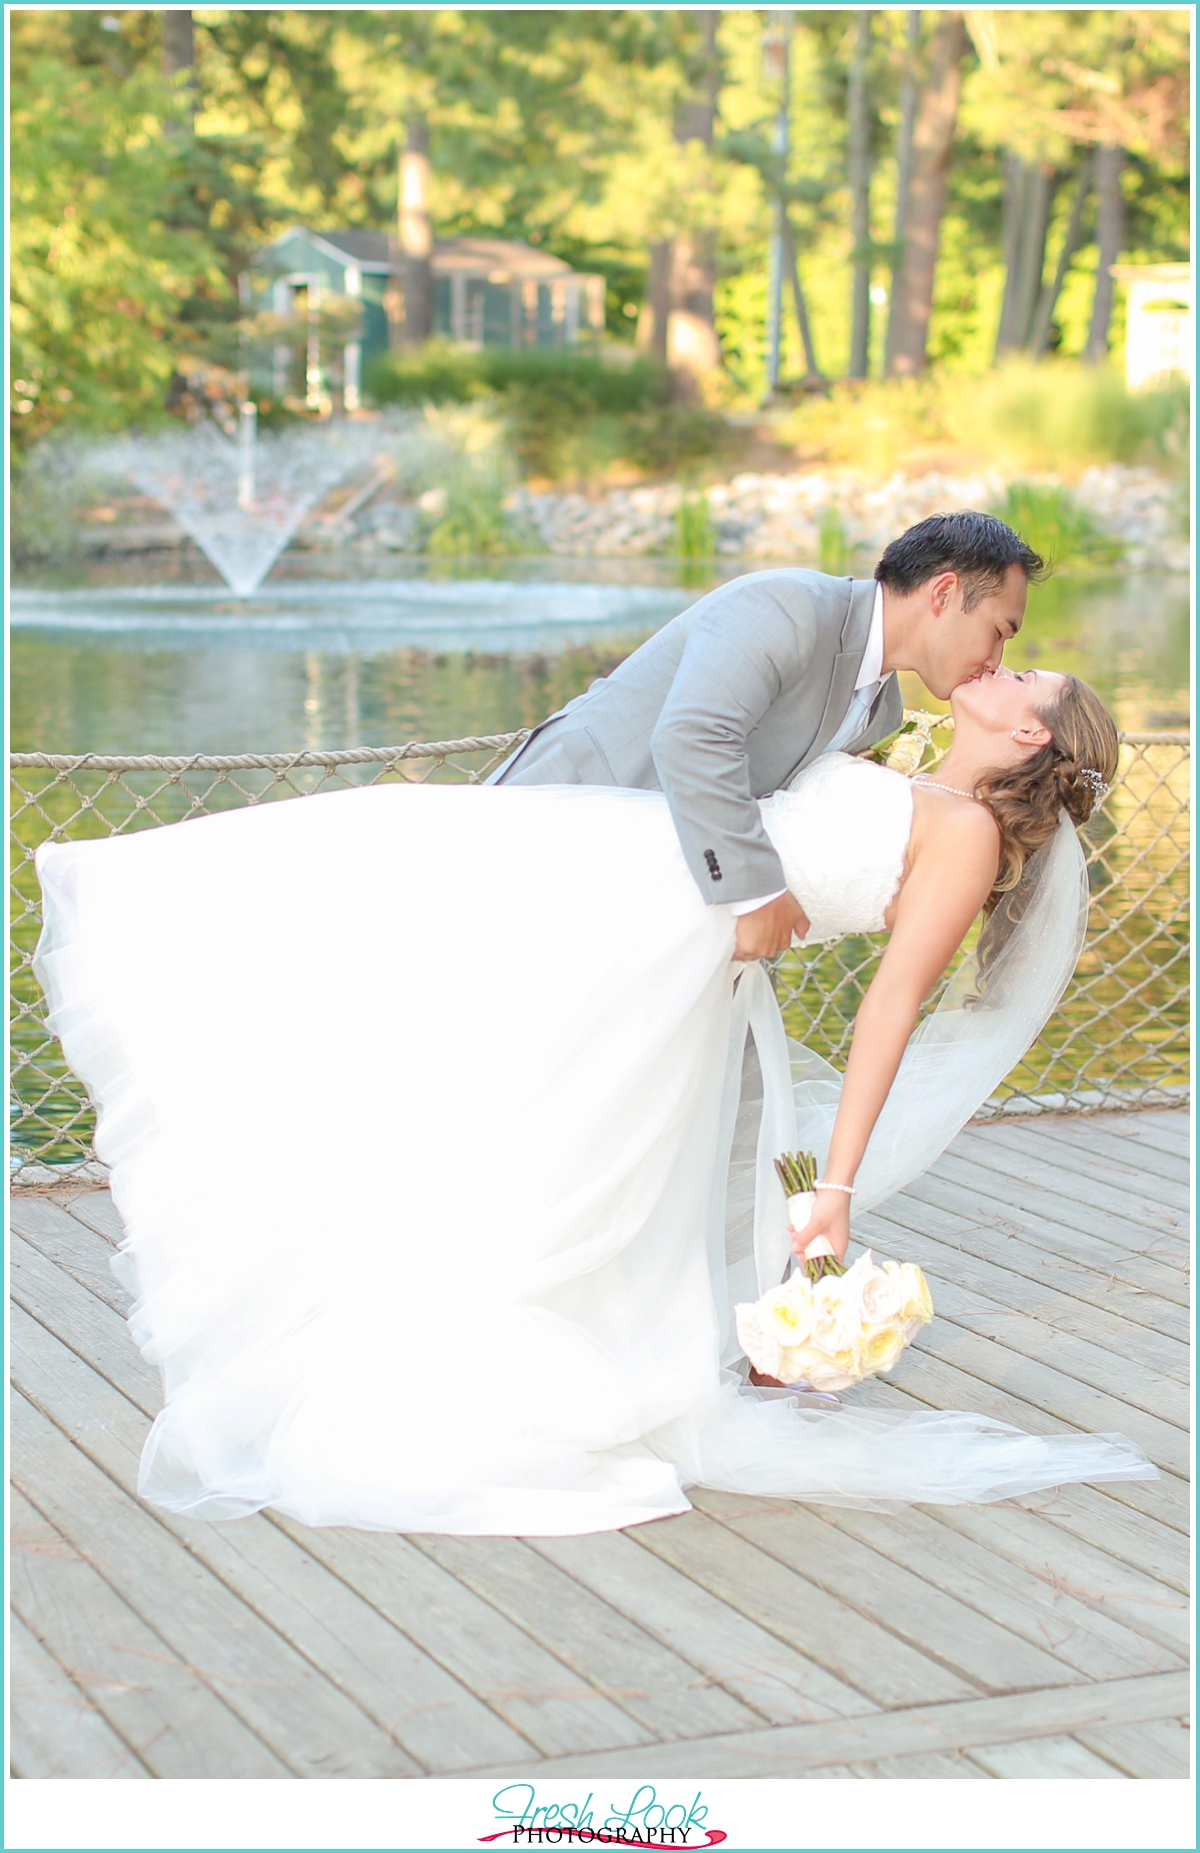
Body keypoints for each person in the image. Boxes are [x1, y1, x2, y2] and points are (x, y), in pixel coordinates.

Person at [33, 556, 1153, 1537]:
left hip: (664, 946)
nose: (1003, 663)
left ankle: (457, 1355)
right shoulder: (879, 738)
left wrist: (837, 1185)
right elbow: (706, 745)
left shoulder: (958, 834)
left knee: (553, 1163)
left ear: (1031, 732)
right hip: (630, 899)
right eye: (1005, 638)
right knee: (449, 1034)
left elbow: (888, 1011)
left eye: (1021, 672)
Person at [492, 511, 1038, 965]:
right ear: (944, 592)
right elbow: (692, 737)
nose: (995, 661)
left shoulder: (882, 711)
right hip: (551, 821)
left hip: (648, 891)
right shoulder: (788, 607)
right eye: (998, 631)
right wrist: (753, 893)